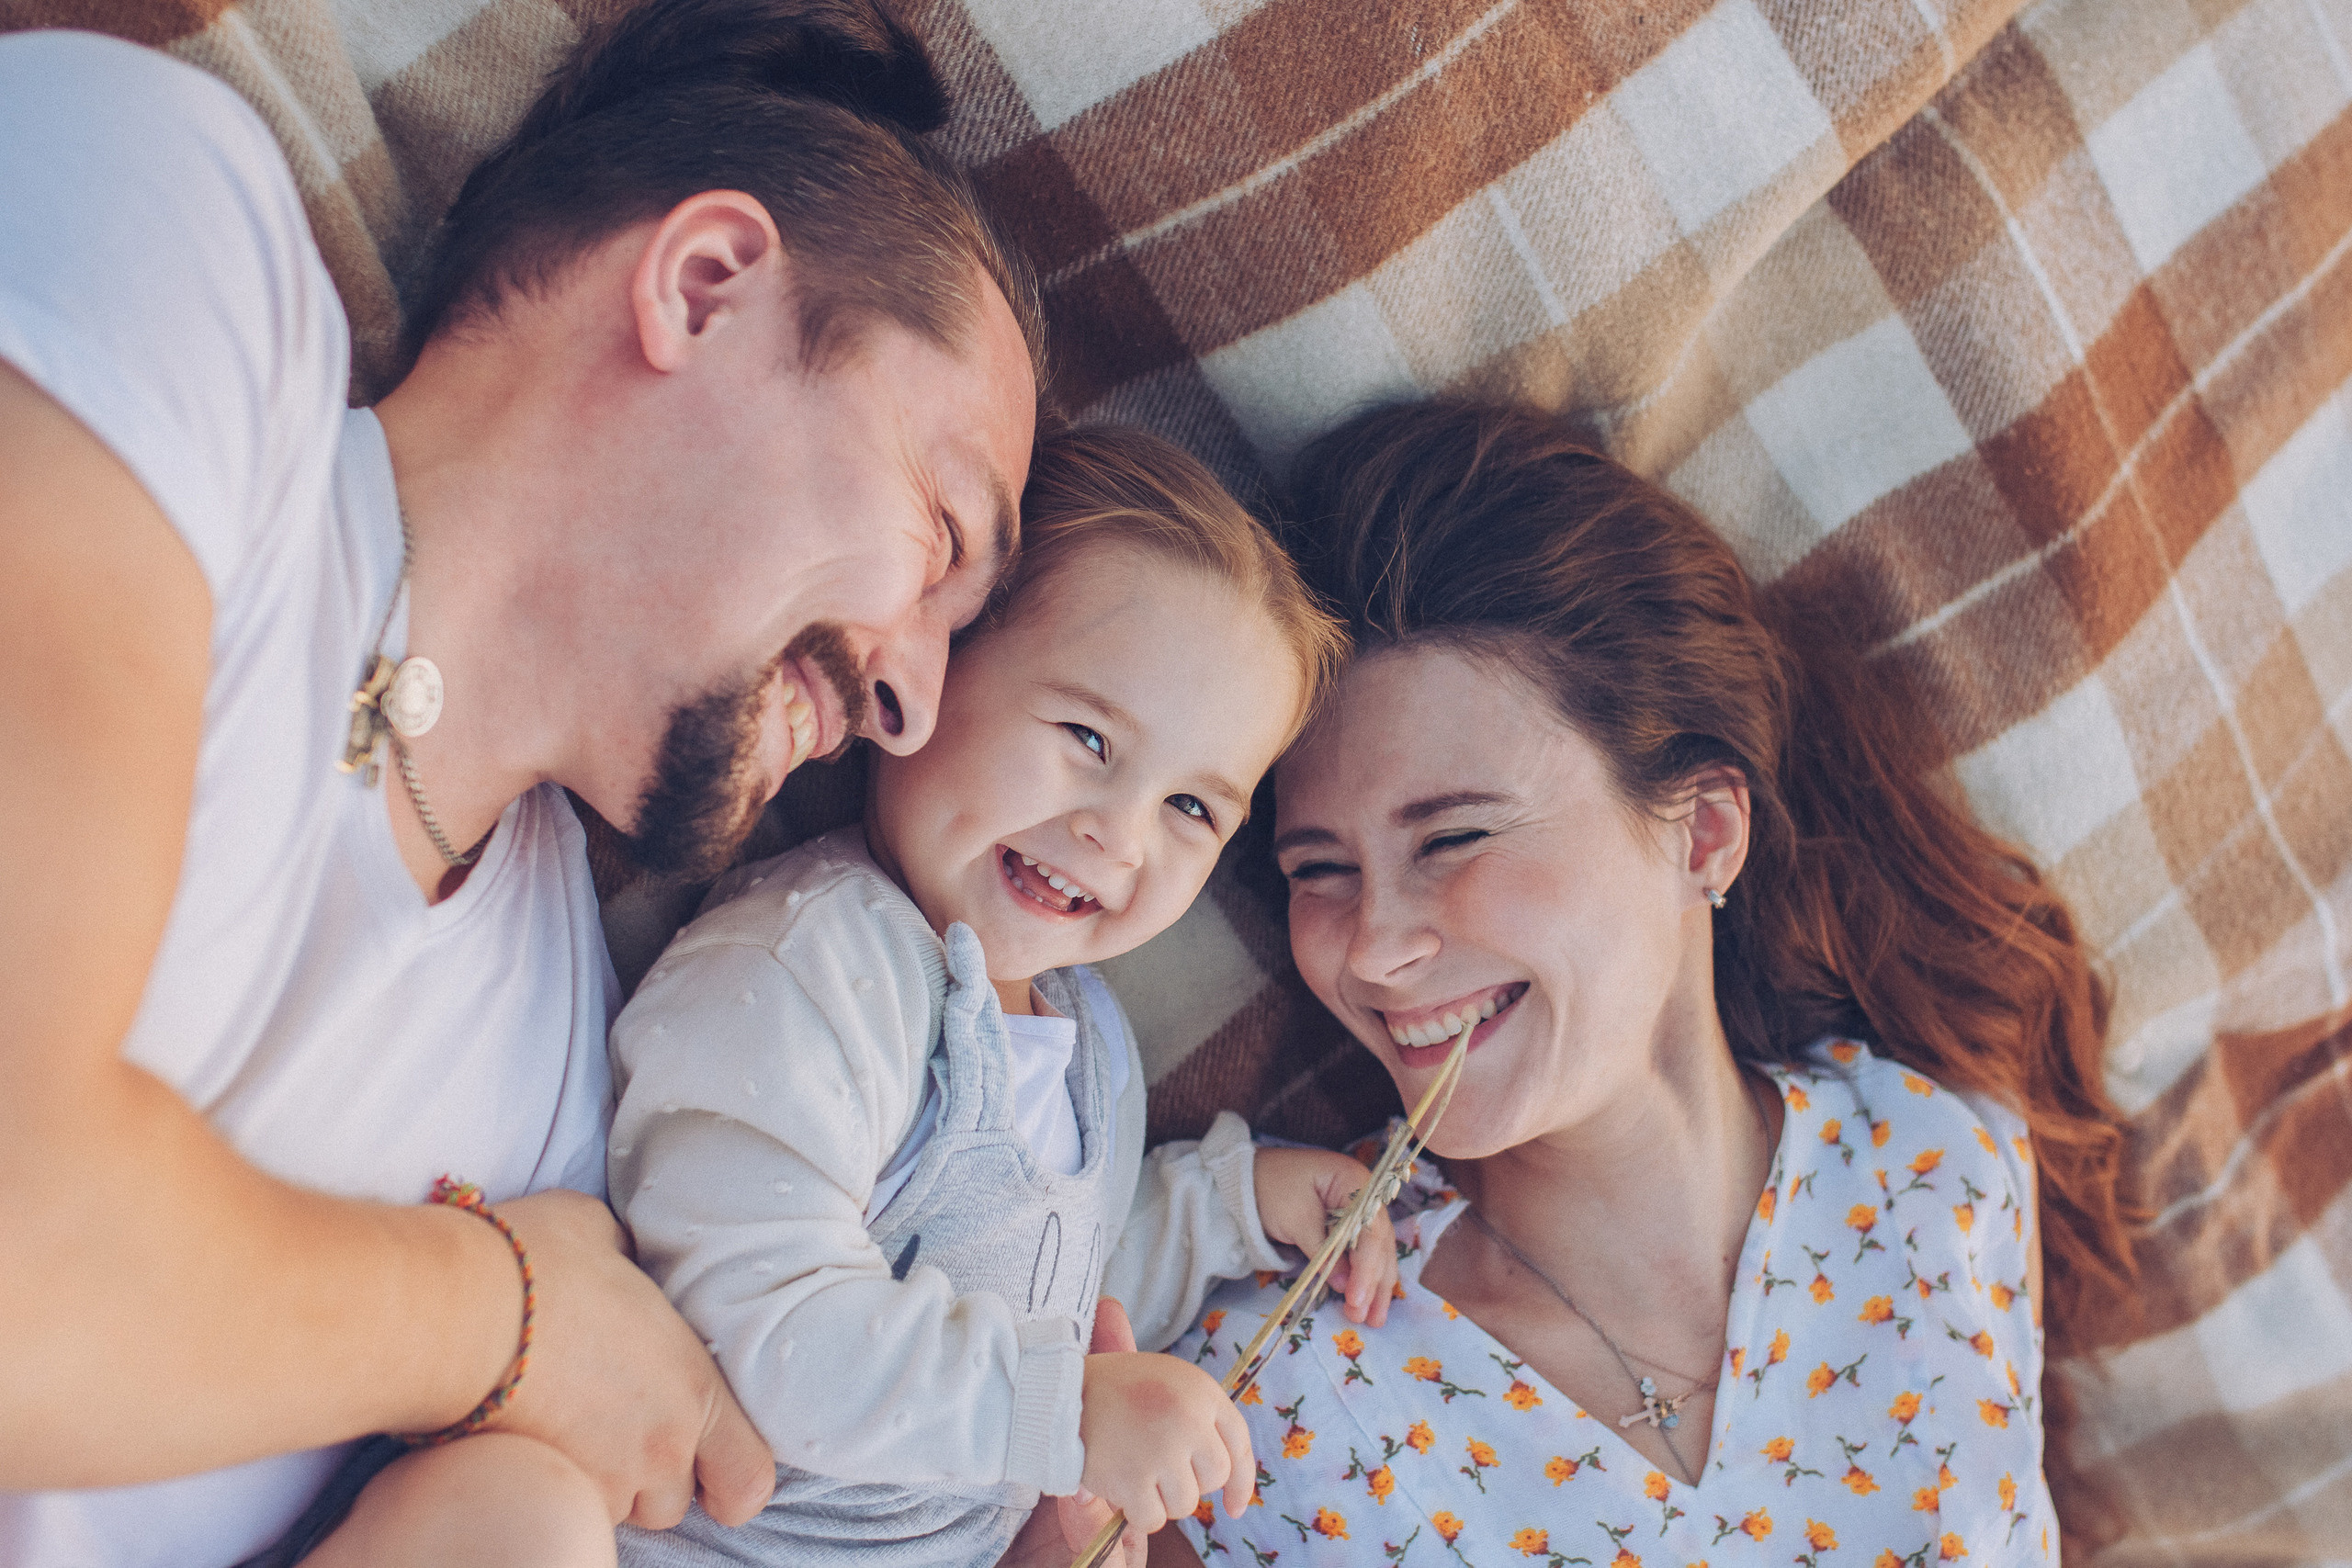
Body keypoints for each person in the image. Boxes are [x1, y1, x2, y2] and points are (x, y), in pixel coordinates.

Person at [0, 0, 1042, 1560]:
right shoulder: (165, 234)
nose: (914, 703)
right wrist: (500, 1316)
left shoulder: (567, 1089)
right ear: (705, 286)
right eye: (943, 532)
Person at [1165, 400, 2134, 1564]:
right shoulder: (1261, 1405)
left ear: (1703, 833)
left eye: (1453, 838)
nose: (1370, 949)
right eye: (1318, 869)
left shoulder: (1938, 1165)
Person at [604, 424, 1394, 1568]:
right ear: (932, 677)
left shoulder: (1089, 1041)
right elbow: (764, 1322)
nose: (1119, 835)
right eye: (1087, 736)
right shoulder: (808, 969)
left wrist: (1226, 1207)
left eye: (1191, 809)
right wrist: (1067, 1413)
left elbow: (1053, 1291)